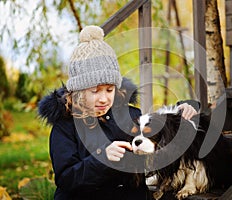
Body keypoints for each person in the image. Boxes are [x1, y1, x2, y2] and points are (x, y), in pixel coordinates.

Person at [38, 25, 199, 200]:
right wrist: (102, 159)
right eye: (95, 91)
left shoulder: (131, 116)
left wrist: (186, 107)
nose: (103, 99)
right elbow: (66, 179)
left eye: (109, 90)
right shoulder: (65, 126)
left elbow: (160, 126)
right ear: (78, 91)